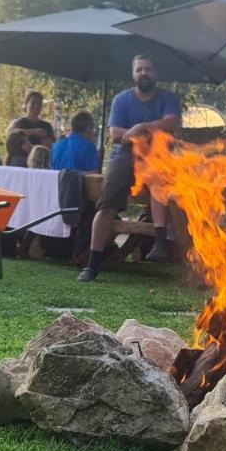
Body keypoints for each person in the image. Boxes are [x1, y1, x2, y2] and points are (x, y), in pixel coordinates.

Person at [79, 55, 180, 282]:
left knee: (159, 177)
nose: (144, 73)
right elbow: (115, 134)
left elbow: (170, 123)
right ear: (133, 74)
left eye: (148, 69)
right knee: (106, 206)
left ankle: (160, 243)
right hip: (125, 158)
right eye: (139, 69)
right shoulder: (121, 100)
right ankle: (92, 264)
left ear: (156, 73)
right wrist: (149, 133)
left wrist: (139, 127)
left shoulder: (168, 98)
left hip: (157, 157)